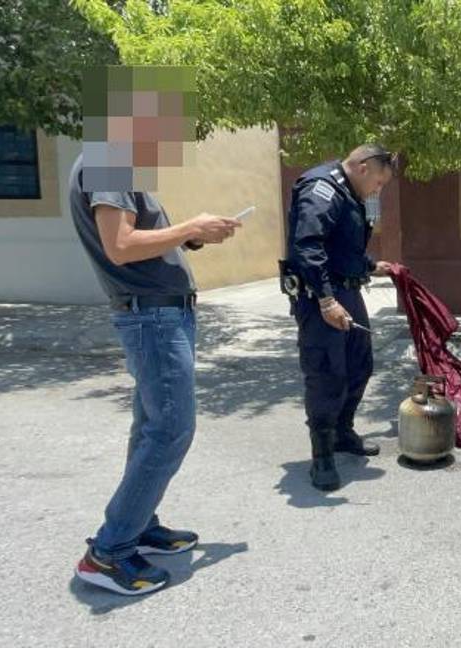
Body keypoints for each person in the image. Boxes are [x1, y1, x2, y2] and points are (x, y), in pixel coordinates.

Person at [69, 155, 241, 595]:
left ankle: (139, 525)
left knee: (150, 426)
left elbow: (138, 242)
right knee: (169, 432)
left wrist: (194, 238)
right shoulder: (109, 162)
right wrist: (188, 228)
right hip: (153, 318)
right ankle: (108, 553)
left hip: (159, 315)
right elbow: (120, 246)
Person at [283, 144, 395, 491]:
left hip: (346, 290)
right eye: (378, 182)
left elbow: (341, 247)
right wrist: (327, 301)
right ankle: (322, 456)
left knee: (360, 364)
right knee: (327, 373)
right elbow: (308, 245)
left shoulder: (346, 192)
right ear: (362, 167)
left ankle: (342, 432)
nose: (377, 189)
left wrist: (371, 266)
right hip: (322, 296)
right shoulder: (322, 188)